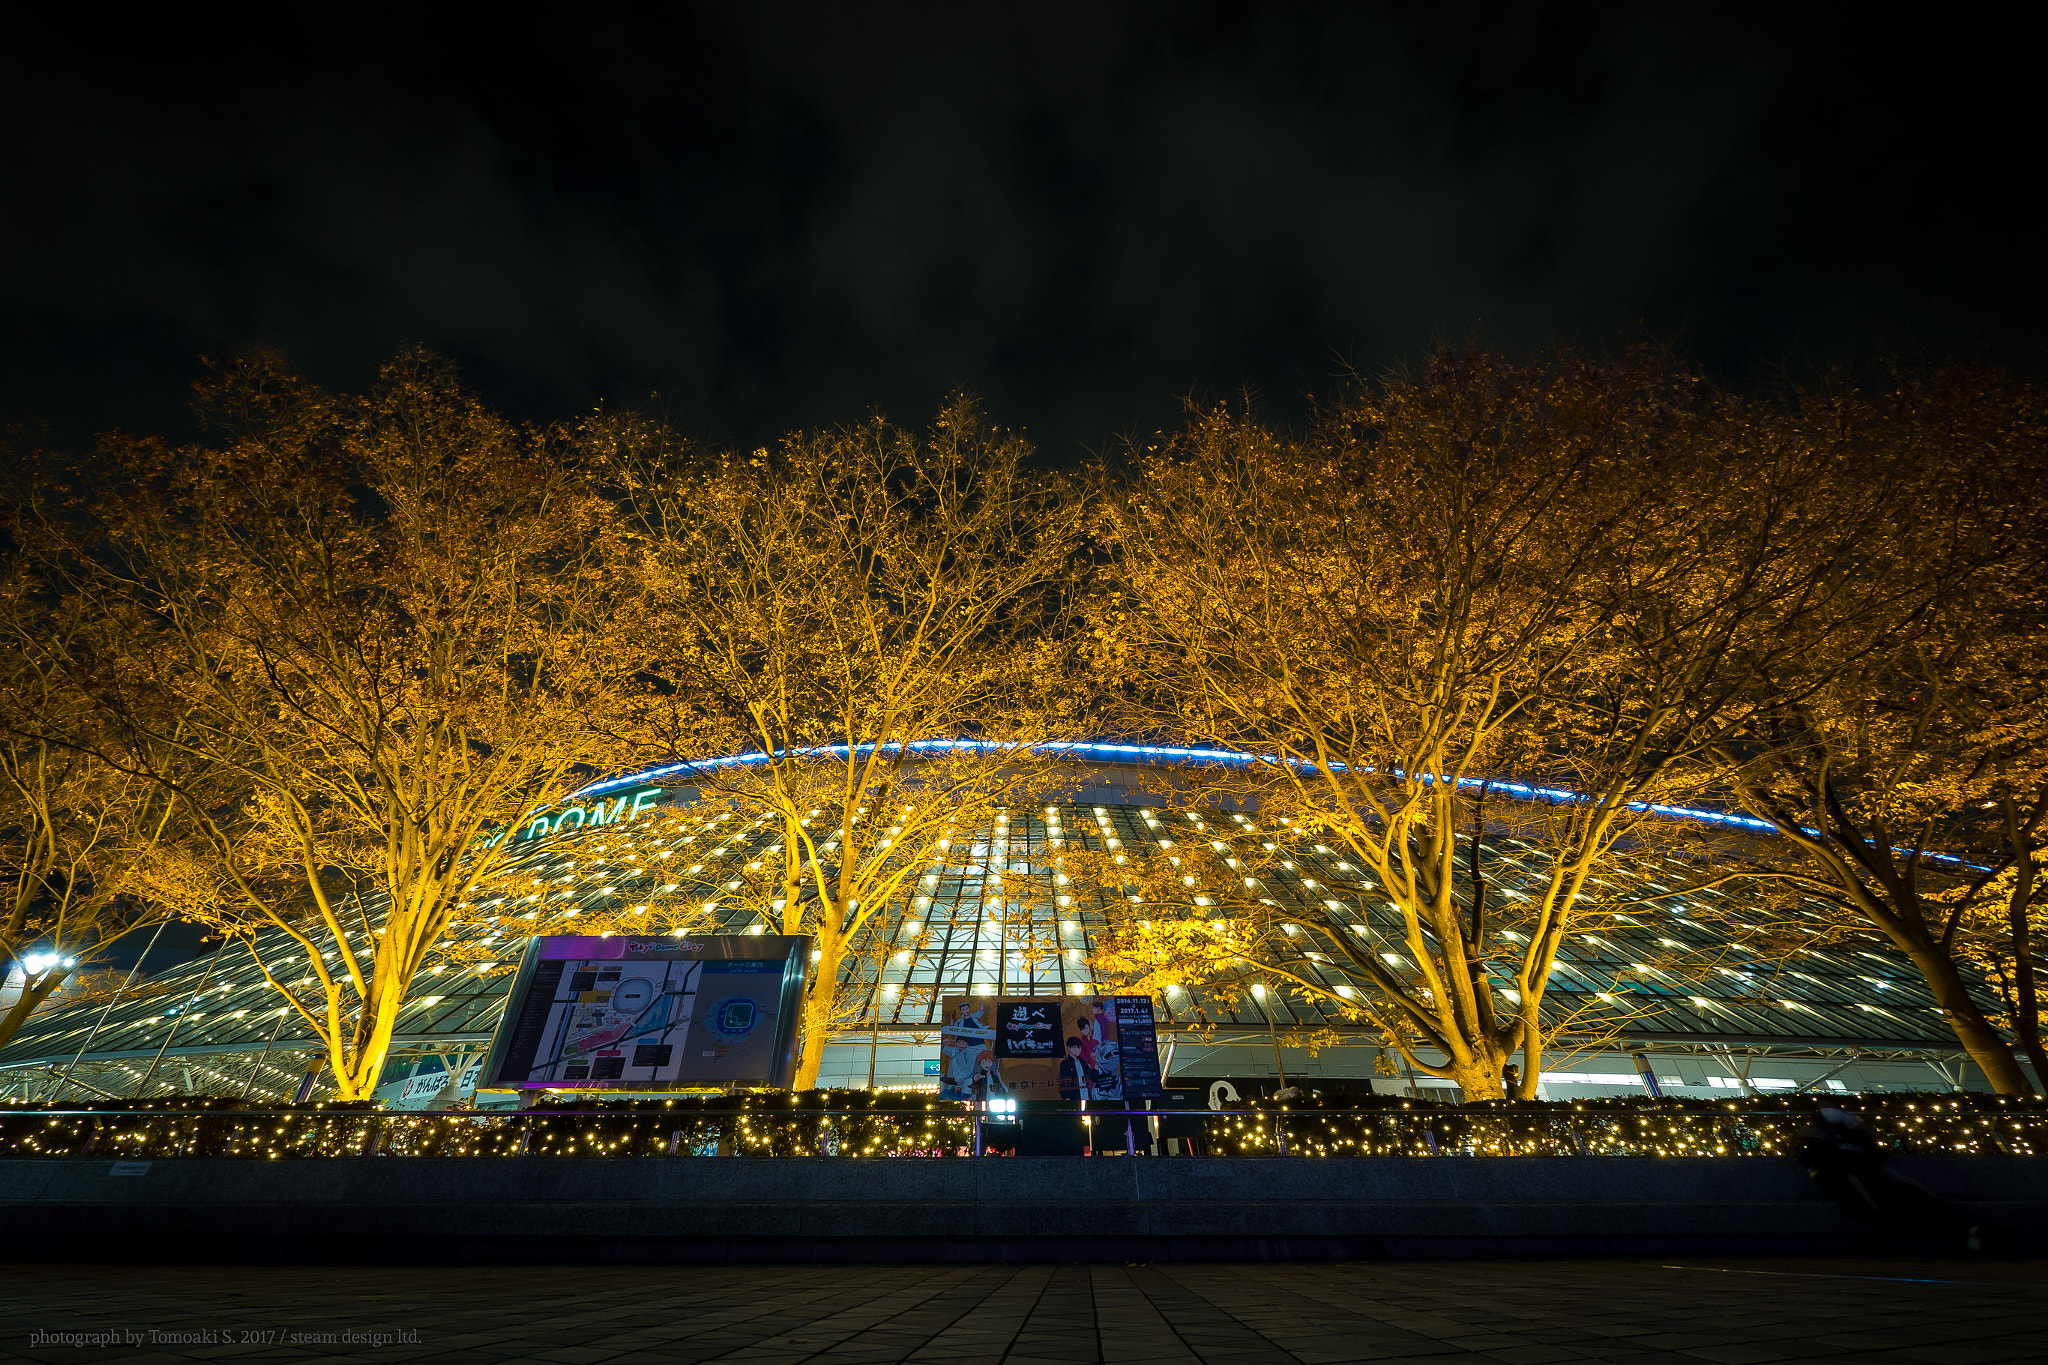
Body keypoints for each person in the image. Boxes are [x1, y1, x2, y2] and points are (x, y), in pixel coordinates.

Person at [1798, 1107, 1993, 1251]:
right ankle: (1969, 1234)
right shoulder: (1831, 1155)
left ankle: (1970, 1233)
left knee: (1918, 1203)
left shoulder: (1832, 1150)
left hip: (1875, 1189)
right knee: (1913, 1206)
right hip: (1870, 1193)